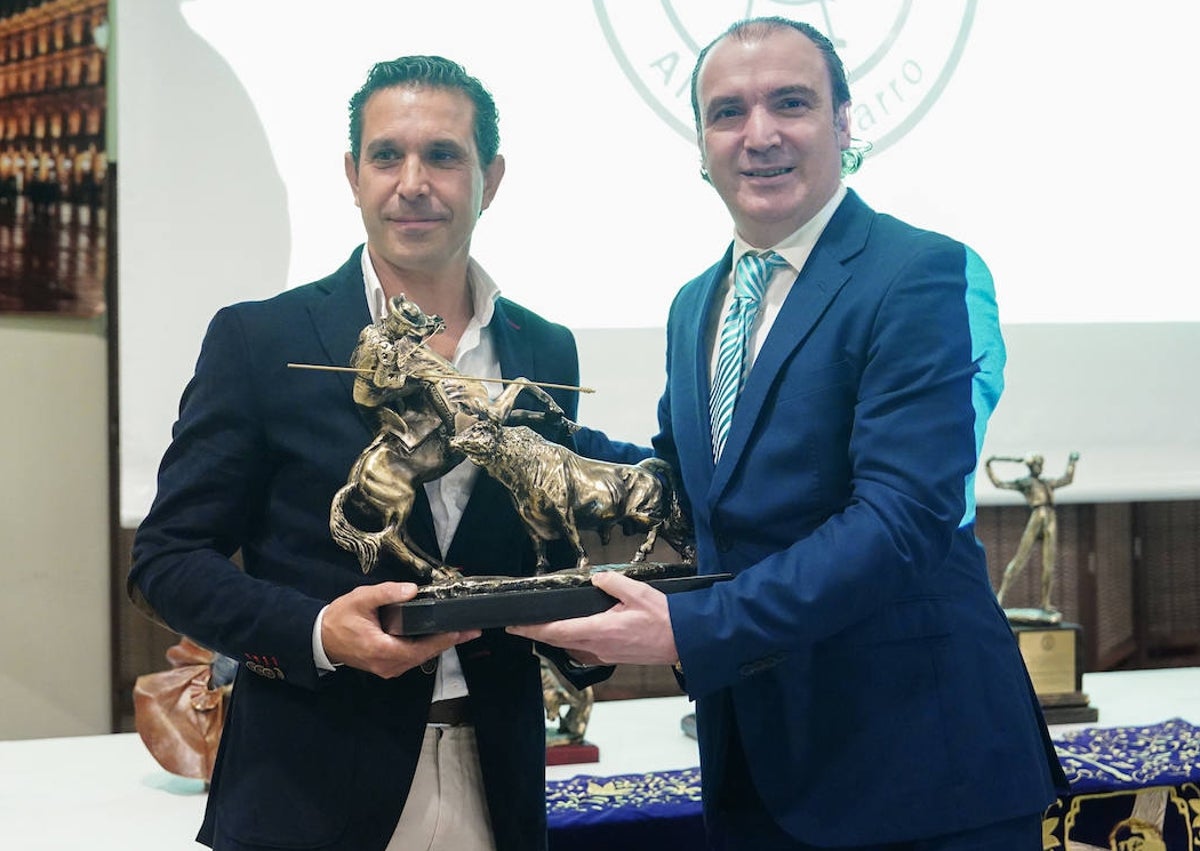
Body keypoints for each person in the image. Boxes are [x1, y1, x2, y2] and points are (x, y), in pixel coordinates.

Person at [510, 16, 1067, 850]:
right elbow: (695, 488)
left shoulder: (920, 273)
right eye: (728, 111)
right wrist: (532, 443)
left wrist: (693, 628)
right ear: (701, 143)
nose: (758, 134)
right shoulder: (696, 303)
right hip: (755, 770)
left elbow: (901, 520)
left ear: (843, 123)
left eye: (791, 103)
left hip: (919, 774)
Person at [128, 55, 635, 851]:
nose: (414, 180)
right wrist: (319, 630)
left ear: (489, 178)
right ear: (352, 174)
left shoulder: (545, 349)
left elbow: (548, 540)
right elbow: (164, 557)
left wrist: (593, 632)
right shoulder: (262, 340)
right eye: (387, 155)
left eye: (443, 155)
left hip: (496, 778)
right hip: (308, 786)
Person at [986, 451, 1081, 612]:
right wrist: (989, 465)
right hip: (1037, 516)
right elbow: (999, 484)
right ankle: (1001, 596)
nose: (1040, 467)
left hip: (1050, 518)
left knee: (1049, 564)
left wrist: (1072, 463)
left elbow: (1067, 479)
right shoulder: (1026, 483)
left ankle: (1045, 602)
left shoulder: (1047, 483)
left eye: (1040, 464)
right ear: (1031, 466)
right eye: (1037, 464)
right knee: (1020, 560)